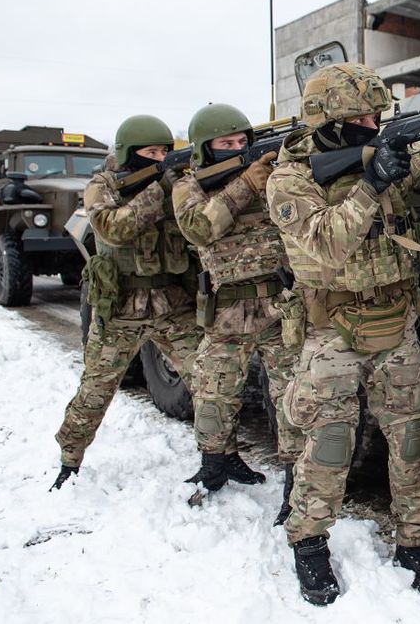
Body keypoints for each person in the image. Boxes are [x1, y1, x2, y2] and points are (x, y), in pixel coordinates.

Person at [267, 63, 420, 605]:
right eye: (359, 119)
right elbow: (327, 244)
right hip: (331, 328)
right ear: (327, 123)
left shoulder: (384, 151)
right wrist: (371, 183)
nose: (372, 125)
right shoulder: (289, 179)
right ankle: (308, 542)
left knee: (410, 441)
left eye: (376, 116)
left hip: (396, 322)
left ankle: (414, 543)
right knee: (330, 441)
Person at [53, 115, 204, 490]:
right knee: (96, 389)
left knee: (211, 383)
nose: (160, 158)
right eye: (151, 153)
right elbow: (114, 228)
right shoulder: (103, 186)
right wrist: (160, 188)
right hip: (121, 307)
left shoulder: (175, 182)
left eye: (165, 152)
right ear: (128, 153)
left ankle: (221, 456)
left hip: (172, 304)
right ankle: (69, 461)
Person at [173, 103, 304, 518]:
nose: (236, 149)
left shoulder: (271, 174)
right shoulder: (188, 186)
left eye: (240, 142)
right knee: (214, 392)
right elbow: (199, 228)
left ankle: (296, 483)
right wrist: (247, 182)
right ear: (204, 150)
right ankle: (215, 465)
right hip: (227, 310)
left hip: (279, 306)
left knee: (291, 397)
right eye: (225, 144)